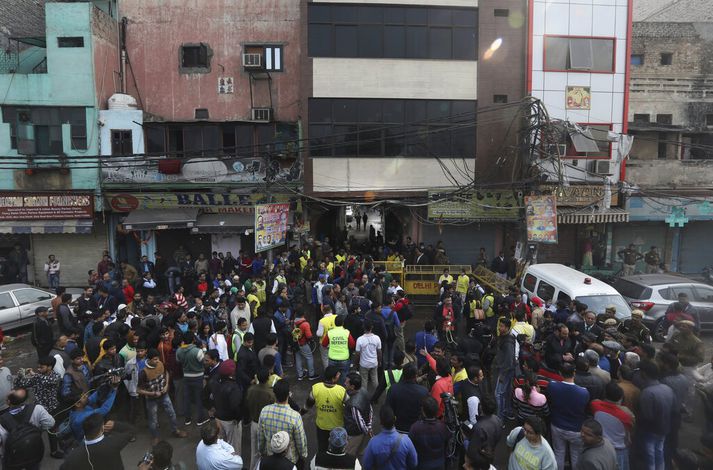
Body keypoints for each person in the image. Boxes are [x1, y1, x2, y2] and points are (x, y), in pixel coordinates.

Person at [138, 348, 187, 444]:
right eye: (155, 359)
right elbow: (138, 390)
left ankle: (175, 430)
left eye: (158, 359)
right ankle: (155, 436)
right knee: (153, 419)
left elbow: (167, 373)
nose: (157, 361)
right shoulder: (143, 372)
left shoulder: (161, 364)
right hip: (151, 399)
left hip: (164, 395)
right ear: (149, 359)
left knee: (171, 413)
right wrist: (152, 393)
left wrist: (166, 385)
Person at [547, 363, 589, 470]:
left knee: (558, 453)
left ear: (560, 373)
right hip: (576, 429)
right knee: (576, 456)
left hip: (557, 425)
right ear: (574, 373)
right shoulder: (583, 392)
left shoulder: (552, 386)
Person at [0, 388, 55, 469]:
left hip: (13, 457)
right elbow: (50, 423)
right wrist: (36, 430)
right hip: (33, 449)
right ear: (25, 399)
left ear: (8, 402)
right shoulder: (37, 409)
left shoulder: (2, 420)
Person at [257, 379, 308, 466]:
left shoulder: (264, 411)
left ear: (274, 394)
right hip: (290, 460)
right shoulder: (295, 416)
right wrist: (303, 455)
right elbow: (300, 441)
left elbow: (261, 437)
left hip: (271, 457)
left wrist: (262, 451)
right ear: (289, 395)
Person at [60, 412, 134, 470]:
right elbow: (131, 431)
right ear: (102, 429)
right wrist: (115, 425)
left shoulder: (73, 455)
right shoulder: (113, 442)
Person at [590, 382, 634, 470]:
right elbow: (629, 433)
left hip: (601, 447)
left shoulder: (595, 405)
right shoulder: (626, 415)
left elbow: (595, 401)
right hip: (618, 450)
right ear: (621, 398)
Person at [362, 406, 418, 470]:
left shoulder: (373, 443)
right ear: (395, 419)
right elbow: (414, 463)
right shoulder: (406, 441)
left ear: (381, 422)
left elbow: (366, 466)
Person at [307, 365, 348, 452]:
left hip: (321, 425)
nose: (339, 375)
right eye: (338, 374)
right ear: (334, 378)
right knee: (337, 449)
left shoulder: (316, 388)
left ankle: (322, 462)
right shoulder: (341, 391)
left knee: (322, 447)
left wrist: (300, 413)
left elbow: (307, 405)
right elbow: (349, 408)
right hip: (337, 428)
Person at [176, 331, 208, 426]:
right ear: (193, 340)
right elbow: (204, 362)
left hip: (186, 376)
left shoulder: (179, 351)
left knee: (187, 398)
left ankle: (187, 419)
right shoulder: (197, 351)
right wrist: (204, 349)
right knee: (199, 398)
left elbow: (178, 361)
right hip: (198, 376)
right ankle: (200, 419)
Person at [385, 363, 428, 433]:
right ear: (416, 375)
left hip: (397, 428)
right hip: (416, 430)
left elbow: (387, 410)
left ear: (403, 373)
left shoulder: (393, 389)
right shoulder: (423, 391)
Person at [408, 396, 449, 470]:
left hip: (421, 465)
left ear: (423, 411)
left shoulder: (415, 428)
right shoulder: (443, 427)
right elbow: (446, 446)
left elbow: (410, 448)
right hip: (439, 465)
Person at [343, 372, 372, 457]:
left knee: (349, 454)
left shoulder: (353, 404)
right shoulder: (364, 391)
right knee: (359, 449)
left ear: (352, 387)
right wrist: (369, 426)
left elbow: (359, 422)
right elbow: (369, 408)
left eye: (347, 382)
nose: (344, 383)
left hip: (354, 433)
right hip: (362, 431)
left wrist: (366, 431)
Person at [493, 318, 517, 421]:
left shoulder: (508, 342)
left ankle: (500, 418)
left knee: (498, 394)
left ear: (507, 328)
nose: (499, 328)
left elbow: (508, 361)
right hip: (506, 369)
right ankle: (507, 411)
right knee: (506, 392)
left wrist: (502, 374)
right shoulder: (504, 337)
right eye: (499, 325)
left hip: (505, 371)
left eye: (502, 326)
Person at [322, 315, 355, 385]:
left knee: (332, 376)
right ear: (343, 323)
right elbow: (352, 344)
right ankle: (341, 390)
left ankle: (332, 388)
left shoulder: (330, 332)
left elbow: (324, 344)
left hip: (332, 358)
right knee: (344, 375)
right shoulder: (346, 332)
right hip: (344, 359)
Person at [355, 319, 381, 391]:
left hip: (363, 364)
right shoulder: (377, 338)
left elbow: (357, 354)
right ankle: (376, 396)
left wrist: (356, 364)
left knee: (364, 381)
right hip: (374, 363)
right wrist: (379, 361)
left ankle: (363, 397)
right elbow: (379, 352)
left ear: (363, 327)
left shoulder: (360, 339)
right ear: (372, 327)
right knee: (375, 379)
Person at [293, 310, 318, 381]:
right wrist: (312, 341)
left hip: (296, 344)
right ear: (303, 314)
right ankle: (311, 375)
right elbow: (309, 336)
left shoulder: (294, 322)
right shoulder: (305, 324)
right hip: (303, 344)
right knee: (309, 358)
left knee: (298, 359)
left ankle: (300, 375)